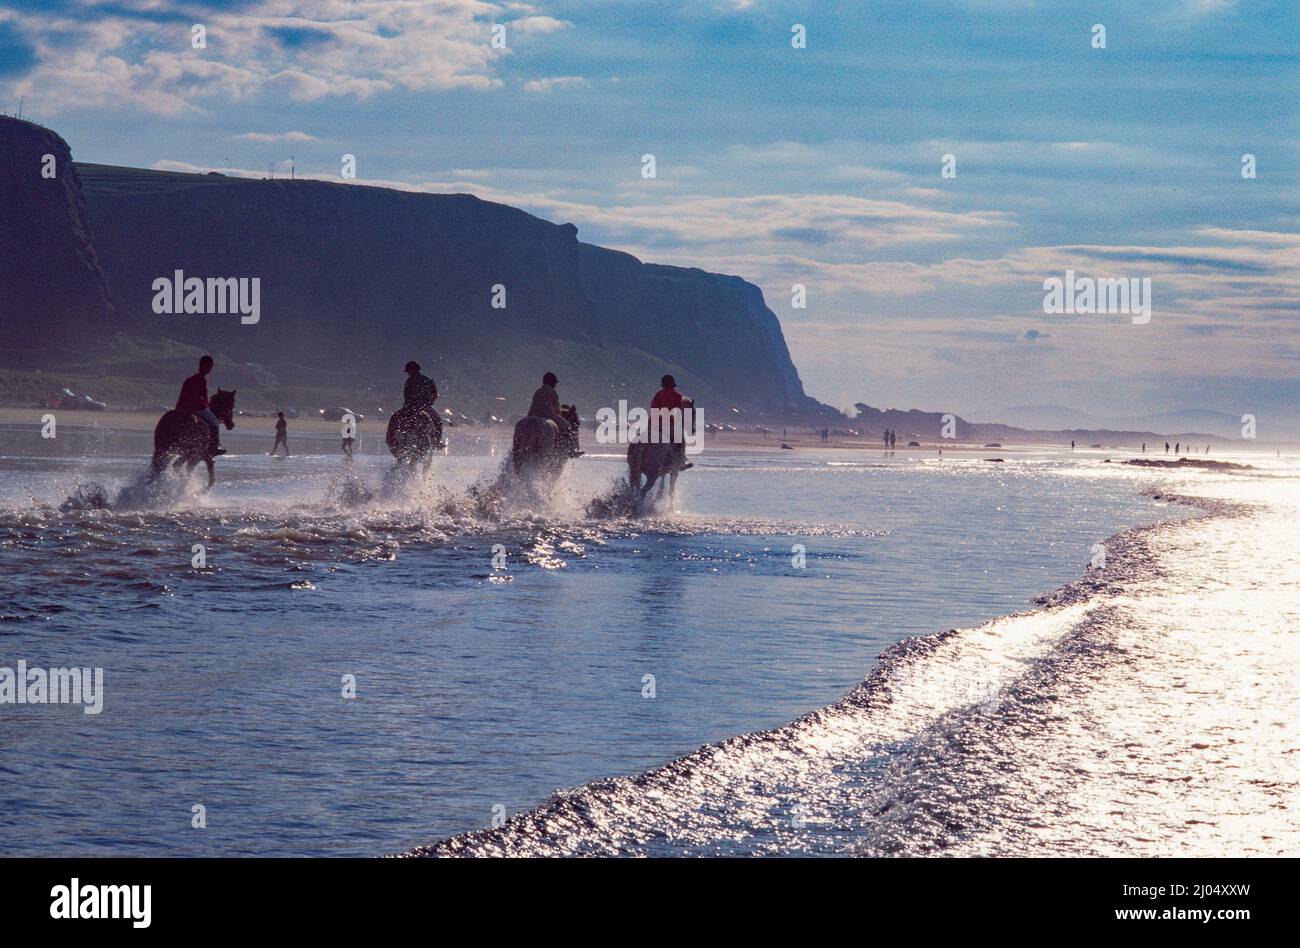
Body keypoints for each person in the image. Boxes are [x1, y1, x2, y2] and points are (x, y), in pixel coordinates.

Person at [176, 355, 225, 456]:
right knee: (215, 422)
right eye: (209, 367)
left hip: (181, 407)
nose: (210, 369)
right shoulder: (200, 379)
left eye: (210, 367)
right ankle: (214, 447)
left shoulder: (190, 379)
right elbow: (200, 398)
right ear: (203, 366)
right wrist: (205, 406)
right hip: (196, 408)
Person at [527, 371, 580, 457]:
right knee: (568, 427)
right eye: (555, 382)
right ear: (552, 382)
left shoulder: (538, 391)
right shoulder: (553, 392)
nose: (555, 384)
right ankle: (572, 450)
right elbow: (557, 411)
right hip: (547, 416)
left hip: (532, 415)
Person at [650, 374, 693, 471]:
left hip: (653, 424)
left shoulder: (658, 394)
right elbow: (677, 411)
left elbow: (652, 406)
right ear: (673, 384)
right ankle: (681, 462)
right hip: (667, 424)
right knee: (681, 441)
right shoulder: (677, 395)